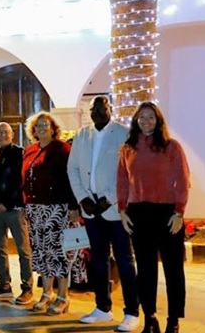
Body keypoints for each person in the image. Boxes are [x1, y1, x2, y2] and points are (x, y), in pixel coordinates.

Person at [67, 96, 139, 331]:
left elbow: (130, 172)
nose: (97, 112)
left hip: (115, 210)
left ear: (110, 108)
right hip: (90, 210)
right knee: (98, 260)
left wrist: (109, 199)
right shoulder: (82, 135)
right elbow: (73, 169)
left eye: (102, 107)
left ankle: (131, 311)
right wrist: (83, 198)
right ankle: (103, 308)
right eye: (93, 109)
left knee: (125, 260)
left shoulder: (123, 133)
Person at [117, 102, 190, 333]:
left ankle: (173, 321)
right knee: (146, 271)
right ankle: (150, 318)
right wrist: (122, 211)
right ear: (136, 121)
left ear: (158, 121)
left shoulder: (171, 147)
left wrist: (179, 212)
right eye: (141, 117)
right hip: (139, 214)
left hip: (168, 214)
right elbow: (121, 182)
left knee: (173, 271)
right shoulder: (128, 148)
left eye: (150, 117)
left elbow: (183, 181)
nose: (145, 121)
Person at [22, 112, 77, 314]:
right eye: (38, 125)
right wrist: (25, 204)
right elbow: (25, 179)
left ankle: (63, 296)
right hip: (35, 209)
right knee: (41, 253)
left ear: (53, 128)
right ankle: (47, 294)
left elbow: (71, 178)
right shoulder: (30, 150)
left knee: (58, 253)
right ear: (33, 130)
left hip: (57, 208)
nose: (42, 128)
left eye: (46, 124)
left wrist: (73, 206)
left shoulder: (62, 149)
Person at [0, 122, 33, 304]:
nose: (2, 134)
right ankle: (4, 284)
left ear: (12, 135)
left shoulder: (20, 153)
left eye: (6, 132)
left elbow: (20, 182)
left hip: (14, 210)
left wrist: (7, 203)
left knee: (23, 249)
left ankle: (27, 288)